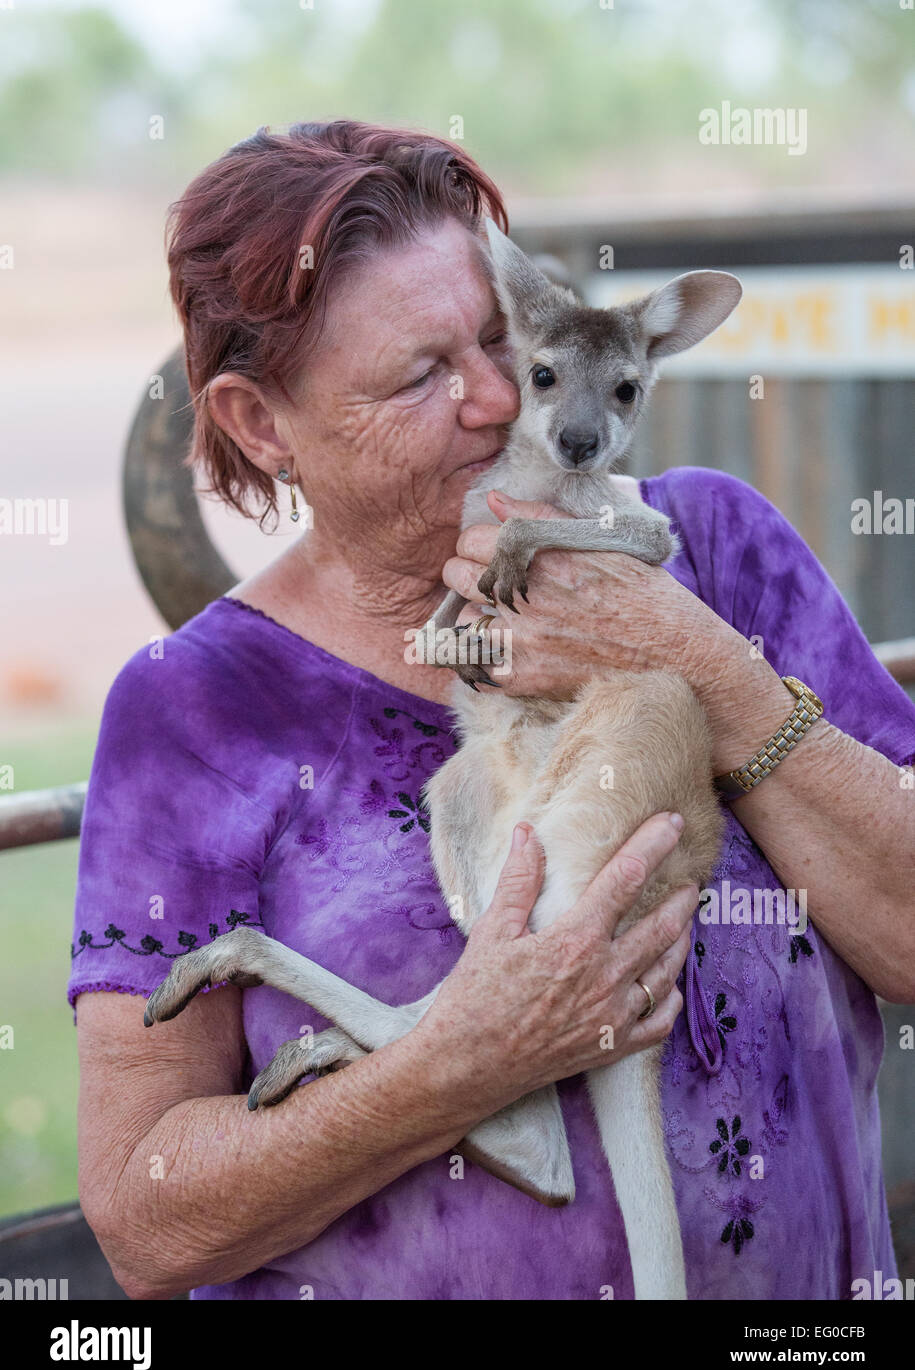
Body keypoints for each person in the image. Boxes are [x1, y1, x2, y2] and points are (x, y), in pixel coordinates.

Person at [70, 120, 915, 1300]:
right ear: (264, 425)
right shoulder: (199, 711)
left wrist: (708, 670)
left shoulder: (716, 548)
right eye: (420, 375)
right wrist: (456, 1067)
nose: (497, 397)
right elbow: (148, 1227)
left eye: (496, 340)